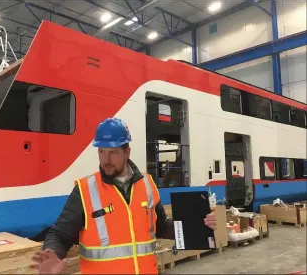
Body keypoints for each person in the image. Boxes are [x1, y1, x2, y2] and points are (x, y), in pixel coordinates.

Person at [30, 117, 217, 274]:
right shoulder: (85, 189)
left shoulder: (147, 184)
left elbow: (160, 227)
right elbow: (60, 233)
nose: (106, 160)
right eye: (101, 152)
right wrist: (52, 251)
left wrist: (198, 225)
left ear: (127, 152)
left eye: (113, 152)